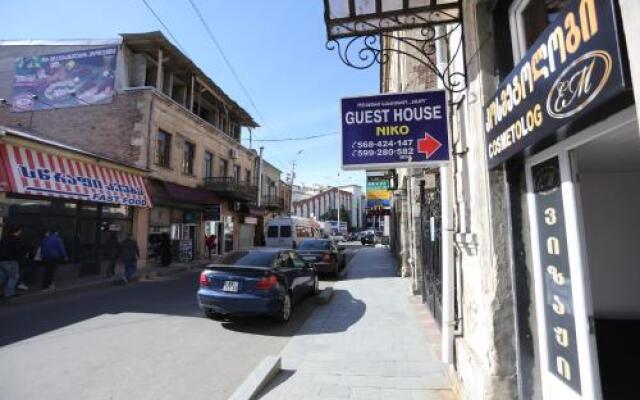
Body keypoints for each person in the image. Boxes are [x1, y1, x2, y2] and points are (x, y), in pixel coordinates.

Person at [0, 226, 26, 298]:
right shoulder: (15, 240)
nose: (20, 233)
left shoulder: (4, 239)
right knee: (13, 277)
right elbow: (17, 251)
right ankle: (9, 293)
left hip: (1, 261)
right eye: (20, 231)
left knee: (2, 278)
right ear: (17, 231)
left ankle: (3, 292)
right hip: (11, 261)